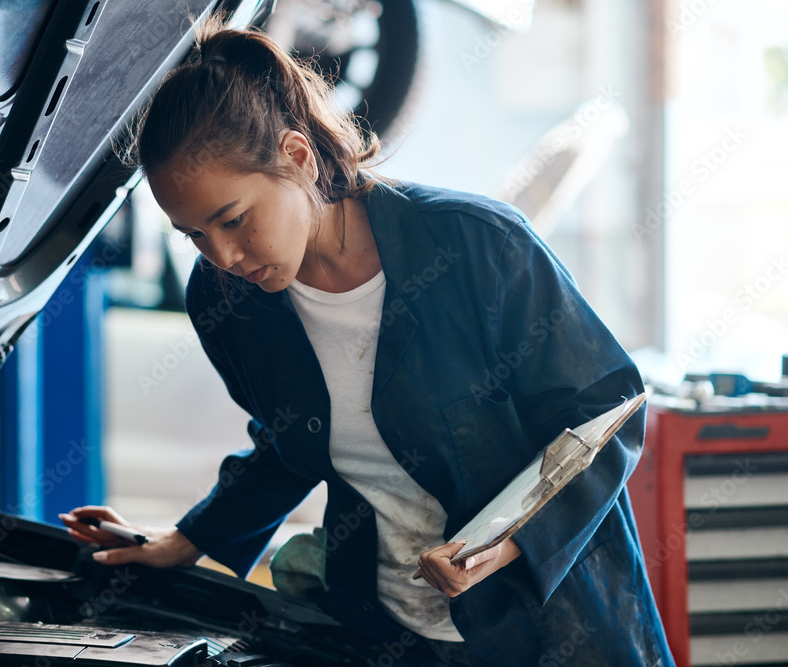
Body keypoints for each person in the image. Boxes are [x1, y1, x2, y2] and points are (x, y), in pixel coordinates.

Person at [60, 14, 675, 667]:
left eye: (233, 219)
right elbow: (288, 446)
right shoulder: (227, 303)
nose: (224, 255)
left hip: (554, 630)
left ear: (295, 157)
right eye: (194, 236)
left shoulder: (477, 244)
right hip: (388, 634)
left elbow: (607, 409)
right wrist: (184, 541)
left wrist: (512, 538)